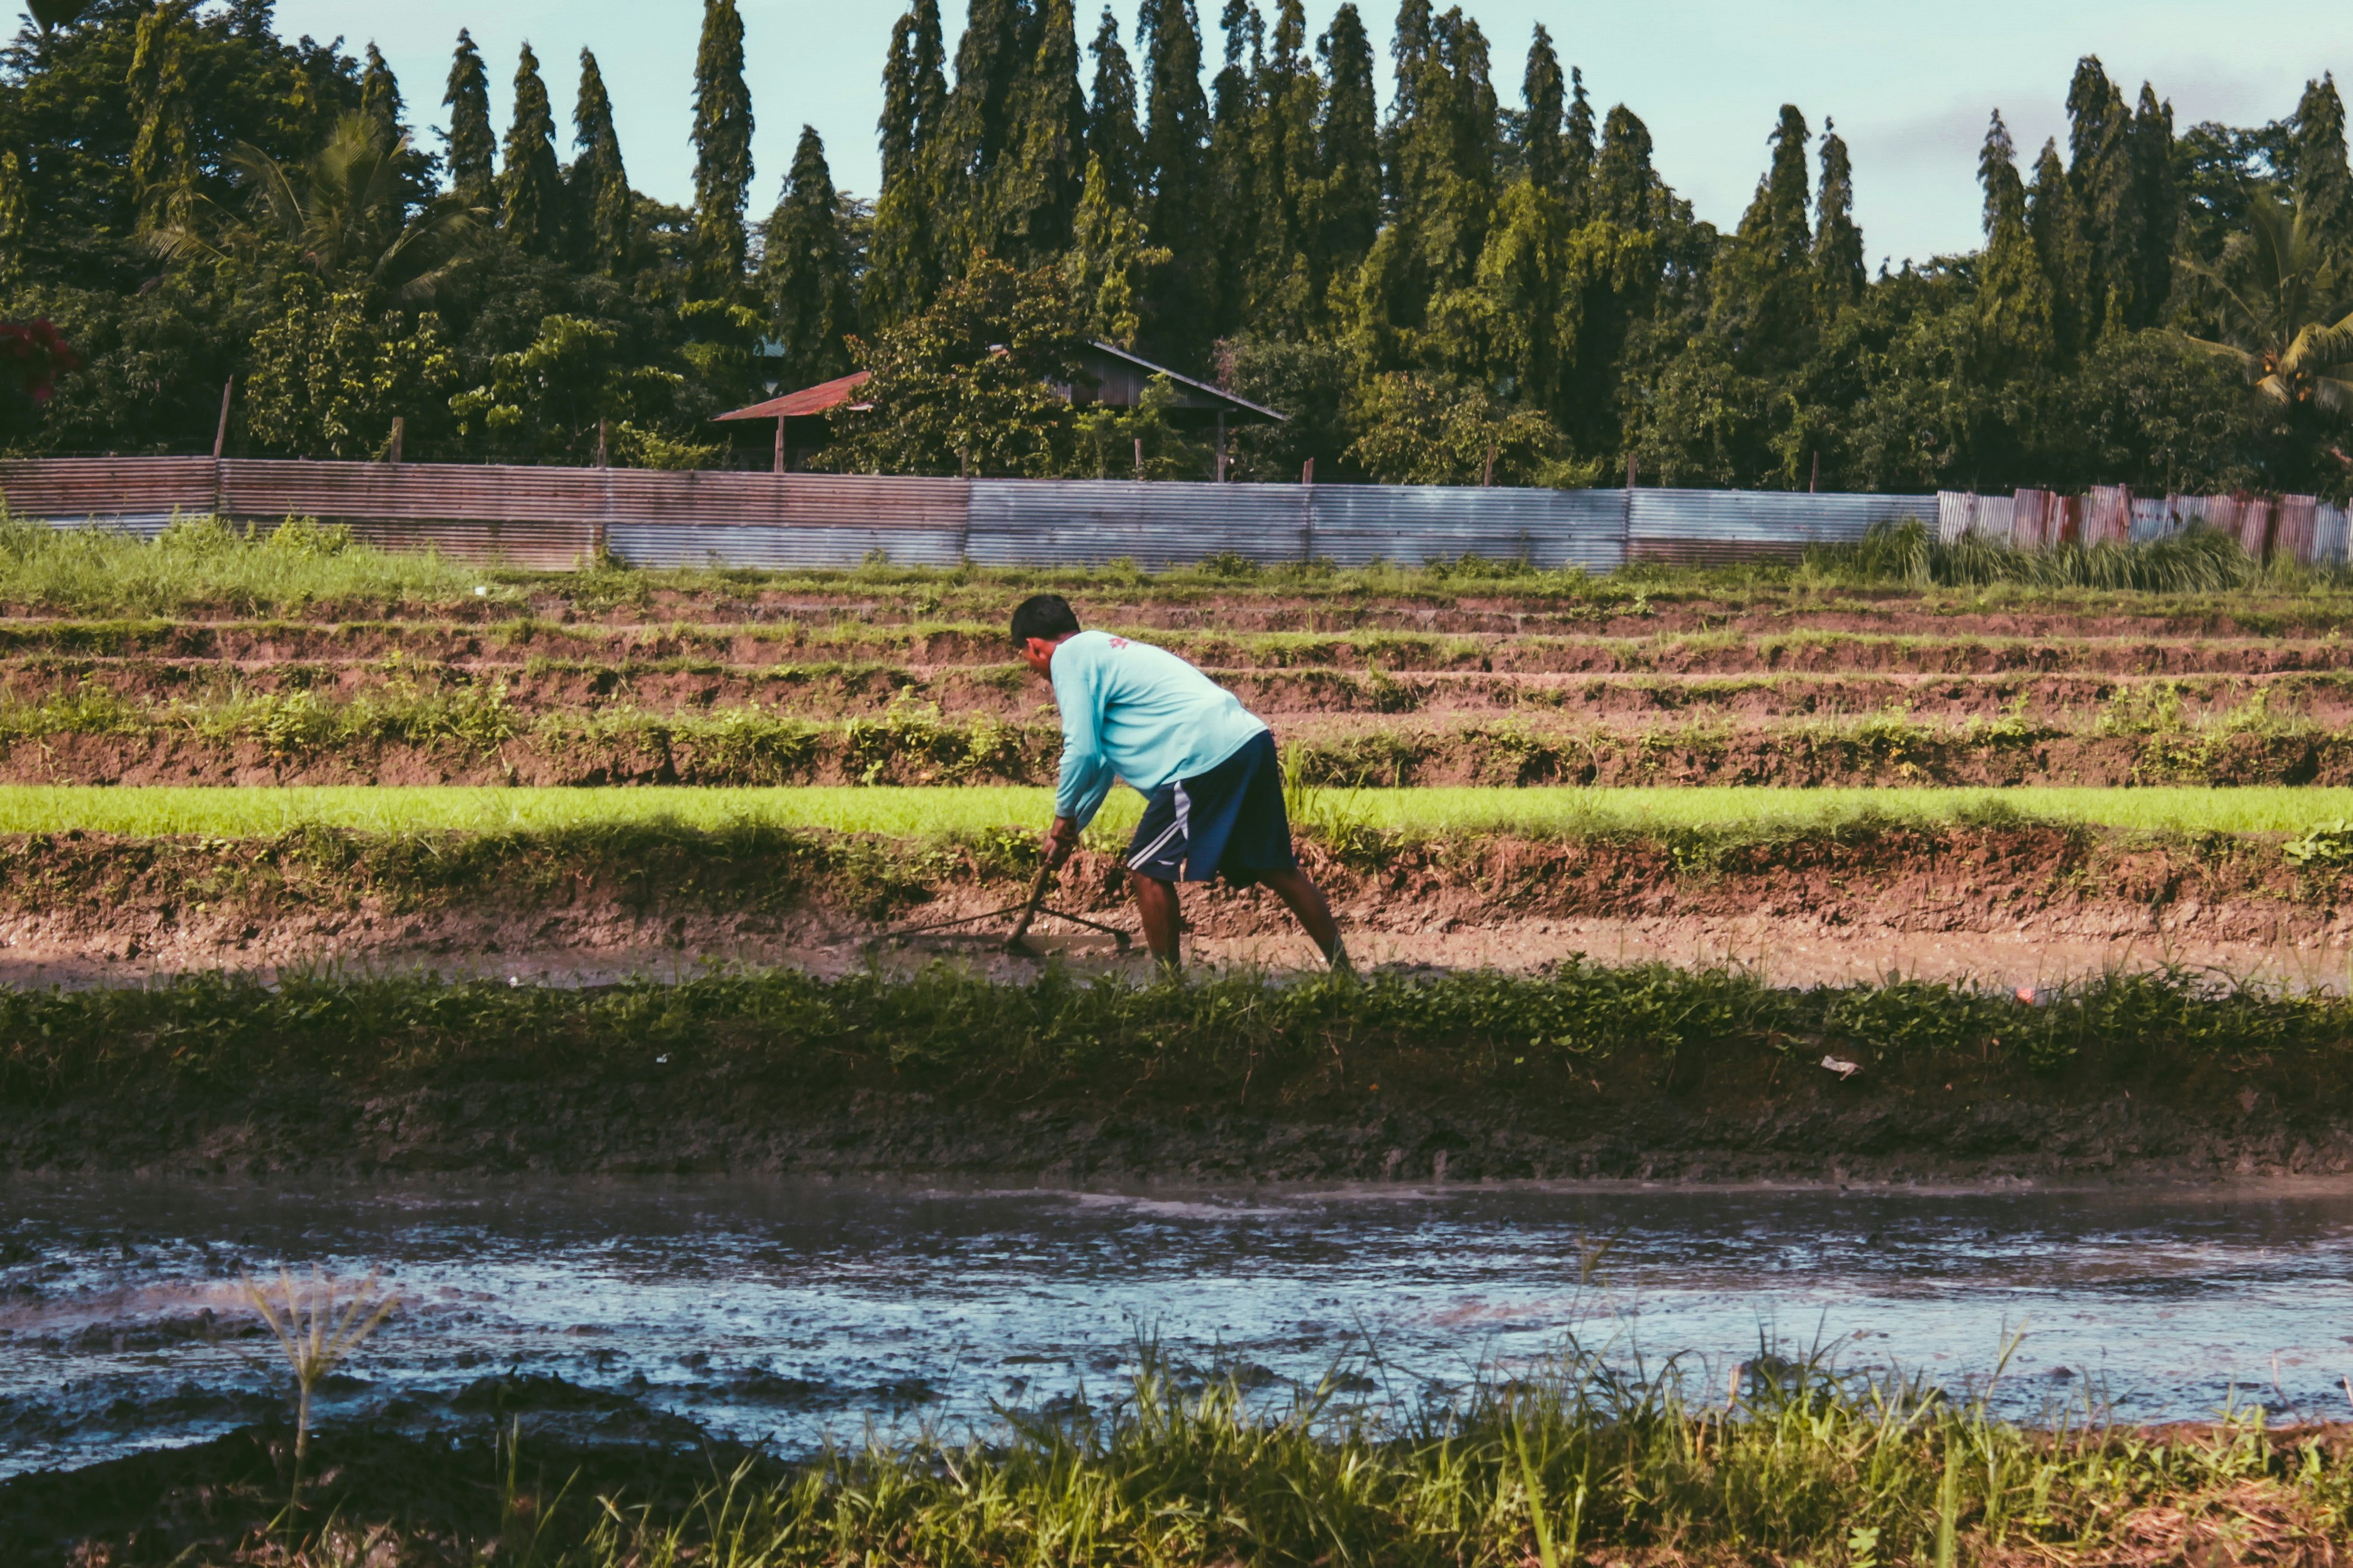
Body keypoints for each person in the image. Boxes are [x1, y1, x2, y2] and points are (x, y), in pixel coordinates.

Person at [1012, 592, 1351, 975]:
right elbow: (1102, 764)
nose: (1031, 666)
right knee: (1276, 868)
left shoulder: (1069, 658)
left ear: (1034, 646)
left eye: (1025, 658)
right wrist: (1071, 829)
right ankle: (1345, 974)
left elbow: (1081, 752)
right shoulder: (1102, 650)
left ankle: (1170, 988)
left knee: (1147, 869)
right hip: (1247, 739)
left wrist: (1060, 818)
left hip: (1200, 755)